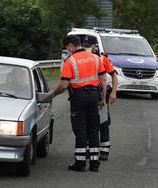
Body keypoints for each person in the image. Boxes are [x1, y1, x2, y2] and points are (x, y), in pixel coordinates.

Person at [51, 35, 107, 172]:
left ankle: (80, 163)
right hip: (94, 95)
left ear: (70, 45)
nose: (67, 50)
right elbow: (104, 80)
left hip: (79, 97)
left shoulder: (69, 61)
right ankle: (94, 163)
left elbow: (64, 85)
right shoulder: (95, 58)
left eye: (66, 47)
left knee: (80, 129)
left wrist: (53, 94)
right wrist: (103, 98)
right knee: (93, 128)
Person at [83, 36, 118, 161]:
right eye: (85, 45)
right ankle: (88, 148)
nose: (87, 47)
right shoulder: (82, 58)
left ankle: (104, 149)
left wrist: (113, 92)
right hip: (88, 93)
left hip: (102, 92)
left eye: (90, 45)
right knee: (88, 121)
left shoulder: (102, 58)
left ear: (95, 45)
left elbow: (114, 75)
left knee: (102, 121)